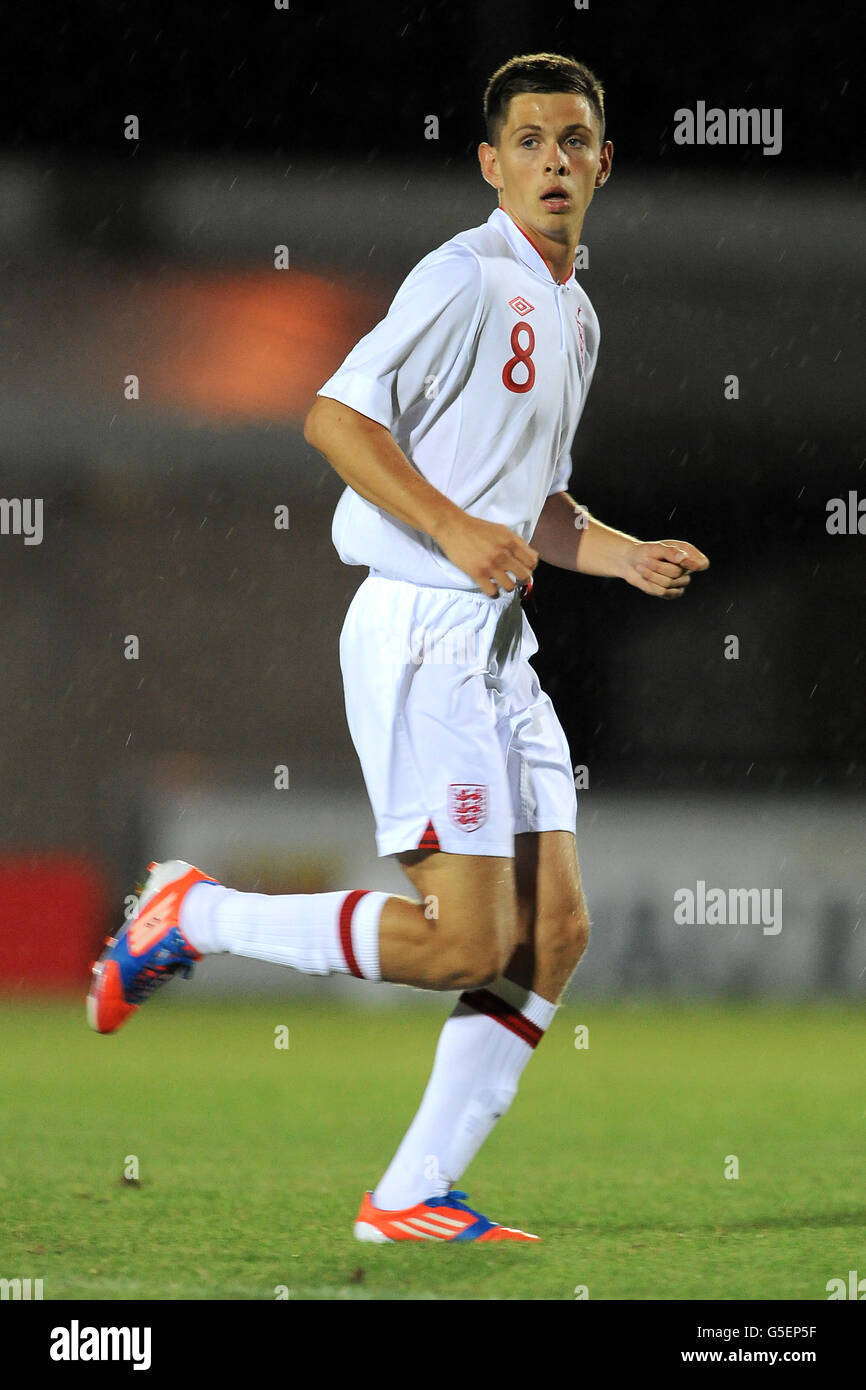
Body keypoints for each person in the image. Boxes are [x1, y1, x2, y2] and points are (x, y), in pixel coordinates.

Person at [87, 51, 709, 1244]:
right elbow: (333, 413)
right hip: (421, 627)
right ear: (490, 163)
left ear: (603, 164)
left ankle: (411, 1194)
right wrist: (448, 525)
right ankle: (193, 914)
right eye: (527, 142)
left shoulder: (573, 314)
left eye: (572, 141)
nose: (552, 162)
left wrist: (620, 553)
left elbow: (531, 505)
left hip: (495, 645)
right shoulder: (464, 274)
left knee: (557, 930)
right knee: (465, 940)